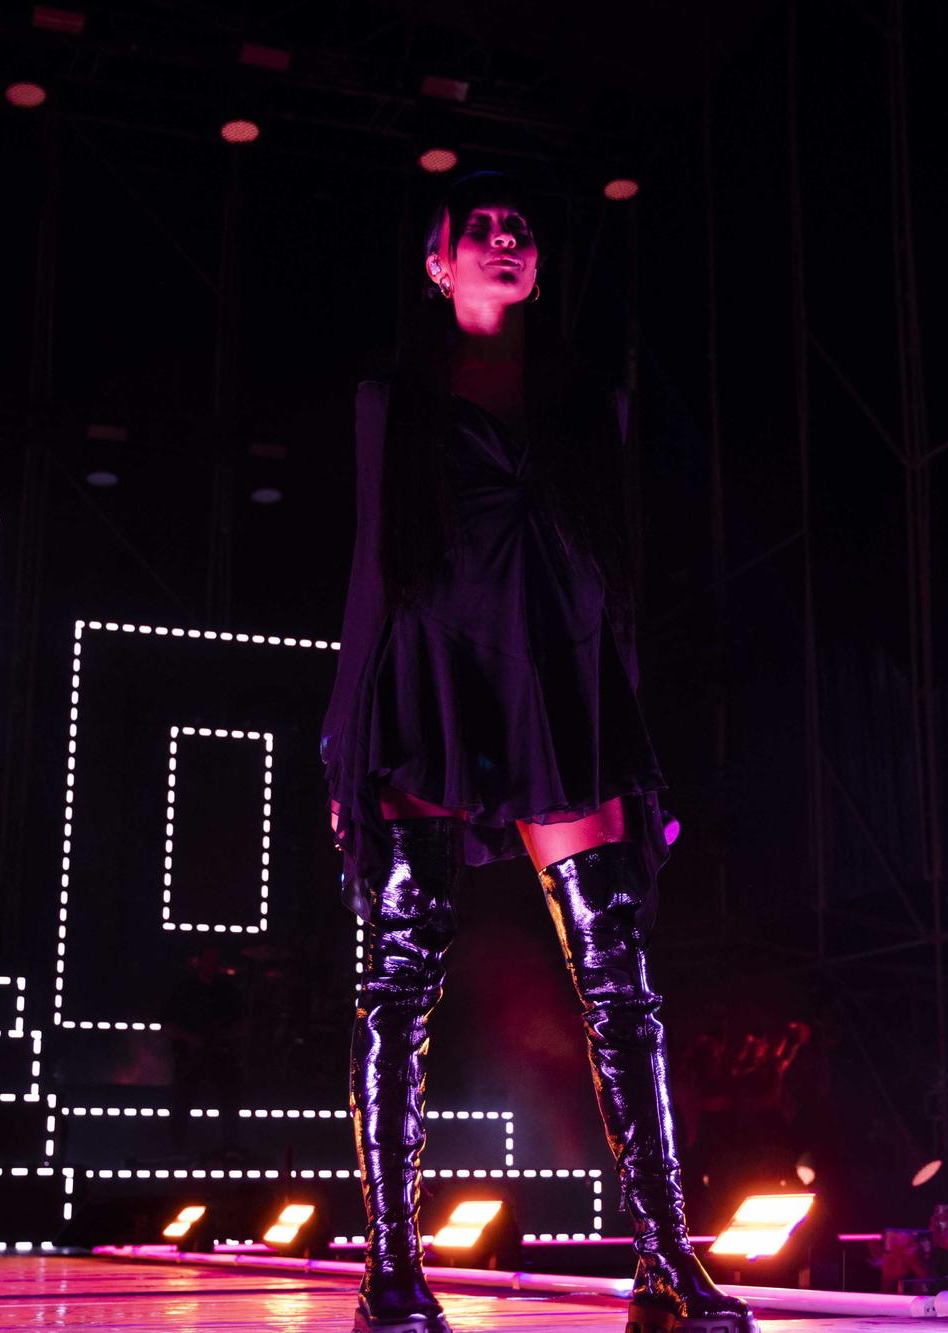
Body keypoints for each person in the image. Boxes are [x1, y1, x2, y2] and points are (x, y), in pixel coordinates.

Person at [319, 171, 758, 1333]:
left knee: (620, 981)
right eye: (483, 230)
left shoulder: (583, 400)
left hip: (557, 686)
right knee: (399, 979)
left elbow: (616, 582)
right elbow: (373, 568)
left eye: (521, 230)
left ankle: (667, 1262)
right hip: (429, 681)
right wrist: (342, 739)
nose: (507, 241)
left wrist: (631, 736)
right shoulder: (391, 398)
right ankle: (392, 1269)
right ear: (438, 262)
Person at [159, 945, 247, 1157]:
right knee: (182, 1099)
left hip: (218, 1052)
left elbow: (243, 1025)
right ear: (199, 961)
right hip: (191, 1053)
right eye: (208, 959)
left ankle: (230, 1146)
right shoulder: (184, 990)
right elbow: (168, 1026)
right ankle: (177, 1146)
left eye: (214, 959)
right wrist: (192, 1039)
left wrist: (221, 1037)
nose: (211, 964)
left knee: (230, 1097)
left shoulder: (226, 992)